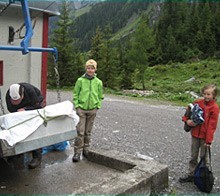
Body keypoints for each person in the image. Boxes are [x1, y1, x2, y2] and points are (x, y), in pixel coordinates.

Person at [179, 84, 219, 183]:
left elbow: (212, 126)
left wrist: (209, 140)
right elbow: (188, 112)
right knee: (193, 156)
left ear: (214, 95)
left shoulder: (214, 108)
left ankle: (203, 176)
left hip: (205, 137)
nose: (206, 96)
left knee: (204, 158)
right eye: (204, 94)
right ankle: (191, 175)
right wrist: (186, 121)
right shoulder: (198, 102)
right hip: (195, 135)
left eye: (209, 94)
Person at [5, 82, 44, 169]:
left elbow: (37, 106)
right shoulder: (8, 95)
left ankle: (37, 156)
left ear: (22, 95)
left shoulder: (30, 91)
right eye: (13, 101)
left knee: (34, 130)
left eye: (17, 100)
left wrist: (26, 109)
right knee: (18, 129)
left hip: (33, 105)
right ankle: (19, 152)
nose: (15, 102)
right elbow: (11, 109)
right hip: (18, 111)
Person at [72, 59, 104, 162]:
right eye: (88, 68)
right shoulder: (80, 80)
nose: (90, 70)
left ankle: (86, 149)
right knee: (80, 132)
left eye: (92, 68)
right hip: (81, 109)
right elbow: (76, 94)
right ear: (86, 69)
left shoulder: (98, 82)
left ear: (95, 69)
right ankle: (77, 152)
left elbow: (100, 96)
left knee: (88, 132)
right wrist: (77, 106)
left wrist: (97, 106)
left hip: (92, 110)